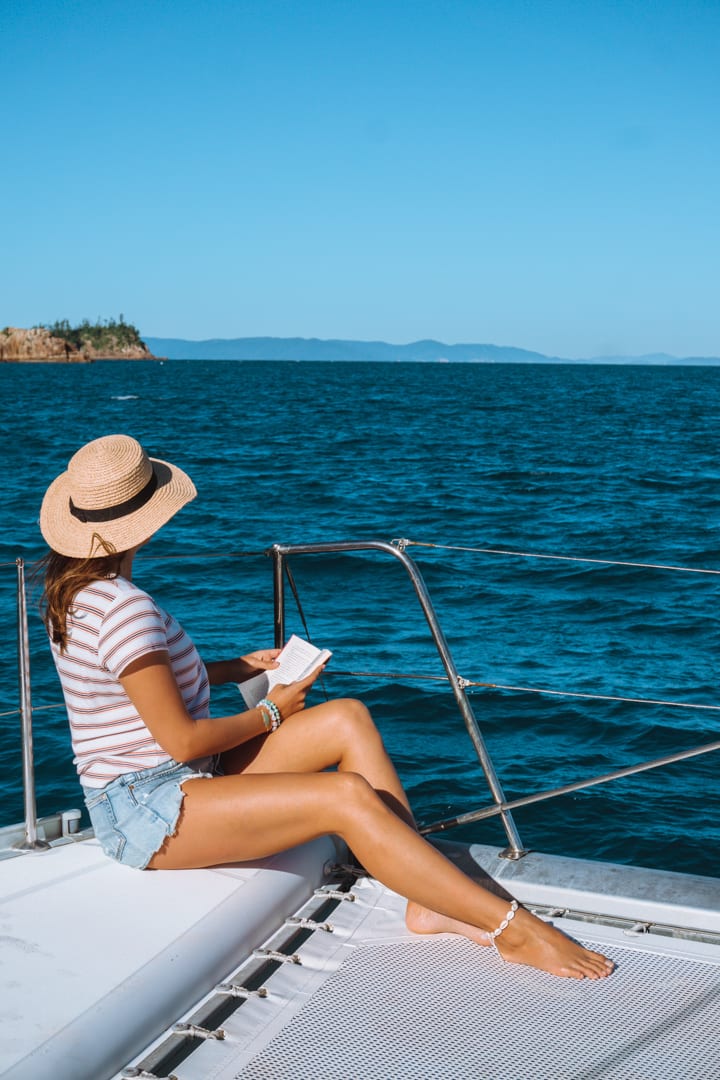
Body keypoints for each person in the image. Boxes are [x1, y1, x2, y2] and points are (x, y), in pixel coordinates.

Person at [39, 433, 614, 981]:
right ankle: (510, 928)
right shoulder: (126, 610)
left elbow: (138, 683)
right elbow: (182, 741)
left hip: (167, 786)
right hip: (150, 811)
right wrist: (274, 710)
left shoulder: (76, 595)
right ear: (146, 520)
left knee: (346, 717)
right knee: (344, 796)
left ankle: (429, 901)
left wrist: (239, 669)